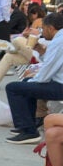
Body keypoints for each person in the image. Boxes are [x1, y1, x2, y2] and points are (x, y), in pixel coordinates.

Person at [4, 12, 63, 143]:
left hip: (60, 86)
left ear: (50, 28)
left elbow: (46, 72)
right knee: (26, 84)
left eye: (43, 28)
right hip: (58, 82)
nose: (42, 32)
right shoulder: (59, 39)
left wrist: (32, 80)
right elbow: (52, 63)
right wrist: (41, 51)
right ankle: (28, 125)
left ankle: (28, 131)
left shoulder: (59, 41)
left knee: (13, 88)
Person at [0, 3, 47, 90]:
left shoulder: (39, 21)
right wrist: (25, 34)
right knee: (9, 57)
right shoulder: (41, 23)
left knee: (18, 40)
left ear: (34, 14)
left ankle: (1, 47)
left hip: (40, 54)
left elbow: (35, 38)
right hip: (34, 54)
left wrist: (31, 34)